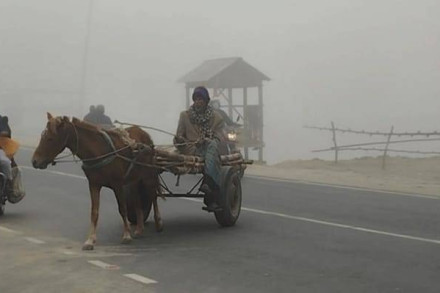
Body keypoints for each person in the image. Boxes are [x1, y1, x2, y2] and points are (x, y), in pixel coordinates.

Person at [174, 86, 225, 211]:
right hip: (190, 150)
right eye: (196, 99)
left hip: (208, 149)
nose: (198, 101)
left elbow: (219, 138)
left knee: (212, 145)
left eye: (201, 99)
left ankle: (207, 183)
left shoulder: (217, 118)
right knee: (211, 149)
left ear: (206, 101)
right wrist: (179, 140)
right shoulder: (184, 116)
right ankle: (208, 185)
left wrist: (207, 139)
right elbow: (178, 138)